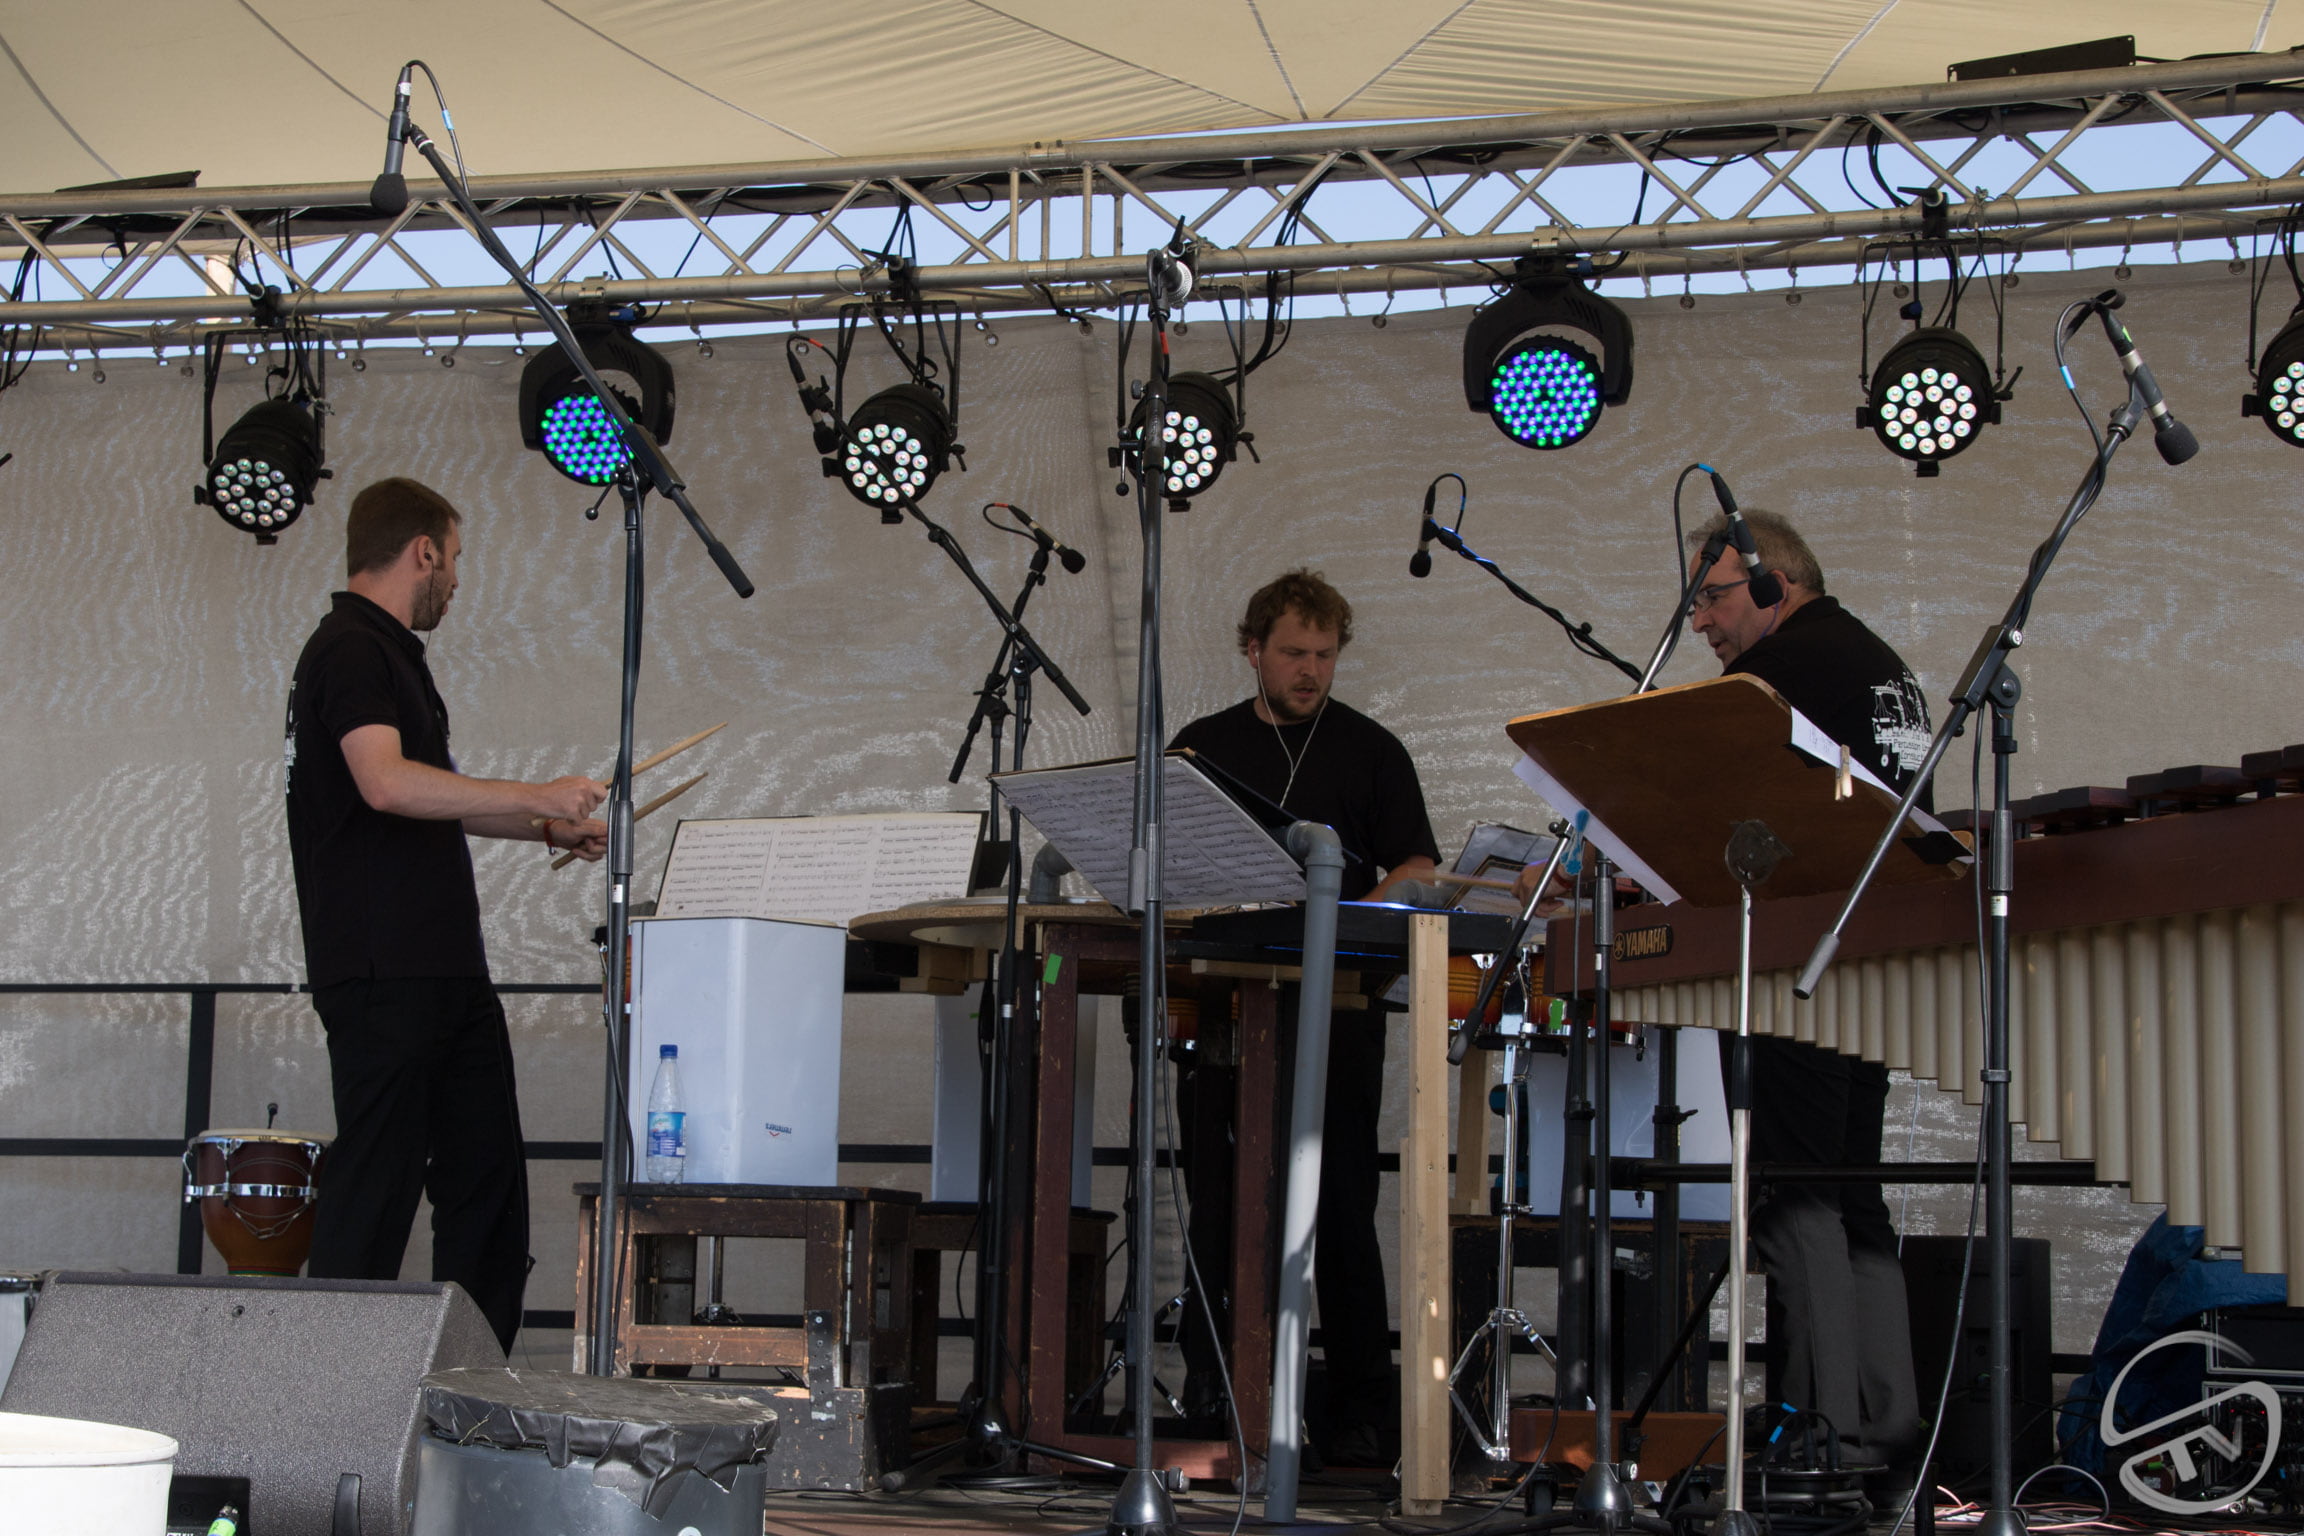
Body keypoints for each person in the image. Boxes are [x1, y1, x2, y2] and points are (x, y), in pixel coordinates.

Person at [284, 477, 607, 1352]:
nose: (458, 581)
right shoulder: (350, 648)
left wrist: (547, 826)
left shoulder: (391, 655)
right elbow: (386, 784)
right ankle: (327, 1384)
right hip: (384, 969)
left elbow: (437, 799)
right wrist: (535, 792)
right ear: (423, 551)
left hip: (442, 967)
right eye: (456, 559)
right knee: (377, 1189)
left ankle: (471, 1383)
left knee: (486, 1186)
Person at [1167, 568, 1439, 1465]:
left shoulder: (1372, 750)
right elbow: (1162, 871)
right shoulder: (1201, 749)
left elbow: (1417, 867)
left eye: (1324, 654)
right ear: (1253, 650)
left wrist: (1348, 924)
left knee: (1343, 1202)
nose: (1310, 670)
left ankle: (1360, 1409)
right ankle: (1217, 1389)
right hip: (1222, 1005)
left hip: (1339, 1005)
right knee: (1220, 1201)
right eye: (1293, 653)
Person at [1685, 509, 1929, 1469]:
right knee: (1852, 1188)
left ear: (1772, 584)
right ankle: (1884, 1417)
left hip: (1806, 947)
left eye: (1712, 598)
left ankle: (1823, 1431)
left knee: (1794, 1192)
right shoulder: (1877, 661)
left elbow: (1718, 806)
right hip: (1877, 945)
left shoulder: (1776, 675)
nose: (1700, 622)